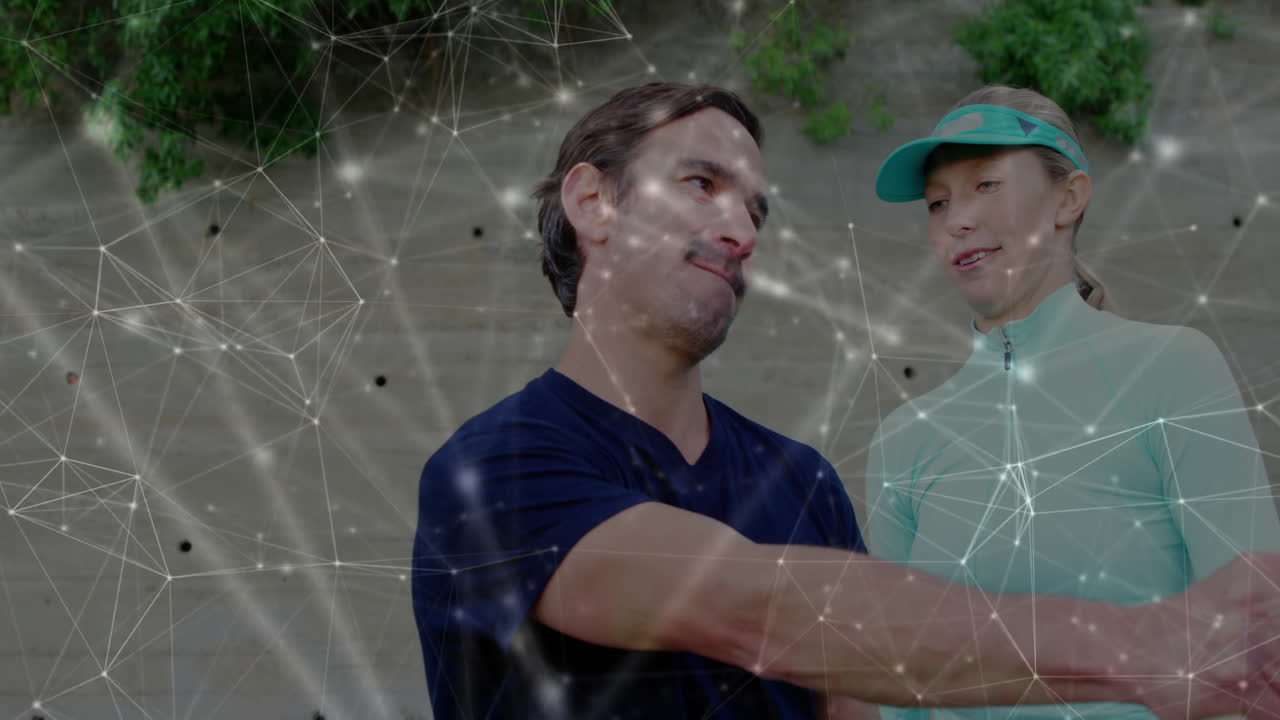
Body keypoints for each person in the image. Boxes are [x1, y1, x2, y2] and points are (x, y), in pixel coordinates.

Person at [411, 82, 1280, 720]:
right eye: (701, 184)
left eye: (756, 209)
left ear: (1072, 200)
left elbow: (875, 691)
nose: (743, 230)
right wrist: (1146, 649)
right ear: (593, 203)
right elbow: (764, 610)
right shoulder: (493, 474)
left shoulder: (806, 483)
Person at [866, 84, 1280, 720]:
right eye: (938, 202)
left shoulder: (1172, 369)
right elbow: (894, 691)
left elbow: (1256, 641)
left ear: (1069, 197)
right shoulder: (903, 438)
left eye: (985, 184)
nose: (957, 220)